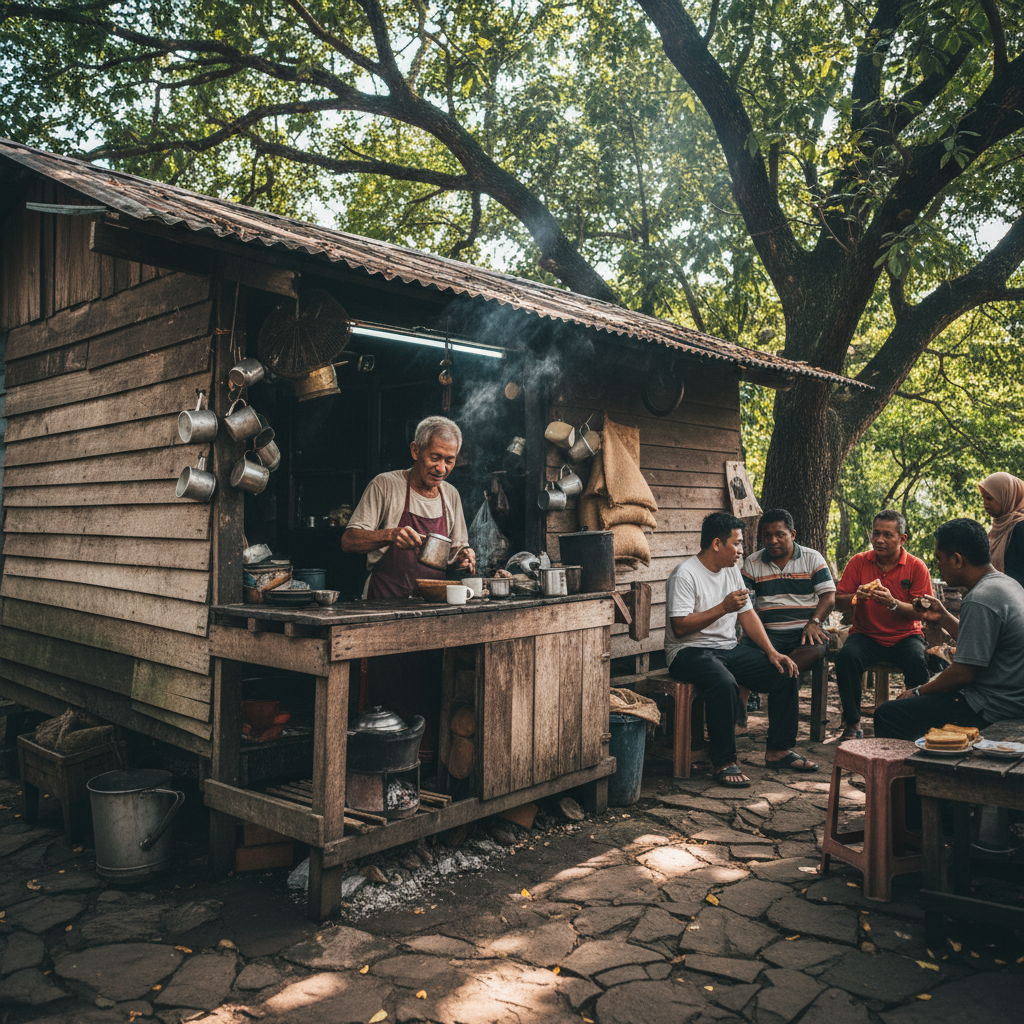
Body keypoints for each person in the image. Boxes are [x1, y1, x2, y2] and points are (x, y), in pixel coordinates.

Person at [665, 511, 818, 788]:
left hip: (726, 649)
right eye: (736, 543)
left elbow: (748, 615)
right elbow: (680, 627)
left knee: (785, 672)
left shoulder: (732, 571)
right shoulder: (685, 574)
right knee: (725, 683)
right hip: (688, 652)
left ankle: (778, 750)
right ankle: (723, 761)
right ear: (716, 544)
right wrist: (722, 608)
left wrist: (772, 652)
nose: (741, 551)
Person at [874, 517, 1024, 739]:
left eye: (939, 559)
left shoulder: (980, 599)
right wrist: (943, 616)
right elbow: (980, 643)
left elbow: (962, 673)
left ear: (956, 560)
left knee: (888, 714)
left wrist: (916, 691)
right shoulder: (1006, 584)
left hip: (991, 707)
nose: (939, 566)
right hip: (1009, 697)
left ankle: (916, 773)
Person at [342, 415, 476, 599]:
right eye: (435, 457)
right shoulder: (385, 484)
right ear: (415, 451)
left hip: (433, 607)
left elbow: (454, 555)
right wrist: (391, 535)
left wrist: (463, 558)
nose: (441, 468)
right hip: (382, 603)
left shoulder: (451, 494)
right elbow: (348, 541)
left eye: (449, 460)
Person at [833, 510, 934, 740]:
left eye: (887, 535)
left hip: (905, 636)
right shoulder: (859, 562)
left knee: (917, 660)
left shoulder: (916, 567)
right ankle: (853, 723)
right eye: (876, 533)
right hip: (865, 634)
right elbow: (838, 602)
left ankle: (916, 723)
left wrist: (893, 604)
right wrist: (856, 597)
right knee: (846, 657)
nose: (879, 540)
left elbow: (922, 612)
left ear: (902, 538)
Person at [738, 509, 836, 718]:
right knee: (738, 657)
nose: (773, 540)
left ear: (792, 534)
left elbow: (829, 597)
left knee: (789, 668)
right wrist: (749, 632)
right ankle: (739, 717)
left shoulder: (812, 558)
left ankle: (779, 734)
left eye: (780, 534)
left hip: (805, 634)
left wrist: (815, 622)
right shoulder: (752, 562)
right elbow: (746, 603)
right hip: (766, 635)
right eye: (767, 535)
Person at [978, 472, 1024, 589]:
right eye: (983, 498)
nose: (985, 503)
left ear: (1006, 497)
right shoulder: (997, 529)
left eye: (989, 498)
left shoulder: (1019, 527)